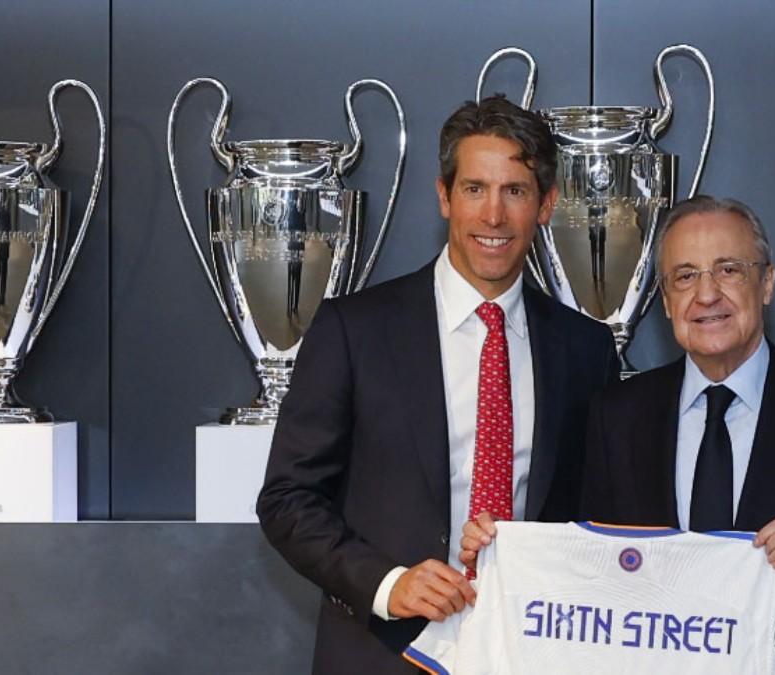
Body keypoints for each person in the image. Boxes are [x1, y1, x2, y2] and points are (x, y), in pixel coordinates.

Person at [463, 195, 775, 675]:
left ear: (767, 283)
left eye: (729, 270)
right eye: (685, 276)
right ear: (667, 301)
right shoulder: (617, 415)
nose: (707, 294)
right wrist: (503, 549)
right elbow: (580, 564)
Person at [257, 95, 618, 674]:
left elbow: (598, 517)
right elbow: (286, 500)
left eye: (516, 191)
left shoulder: (585, 349)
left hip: (529, 654)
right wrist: (387, 583)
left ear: (547, 205)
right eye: (475, 189)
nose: (493, 216)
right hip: (380, 654)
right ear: (445, 196)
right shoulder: (354, 330)